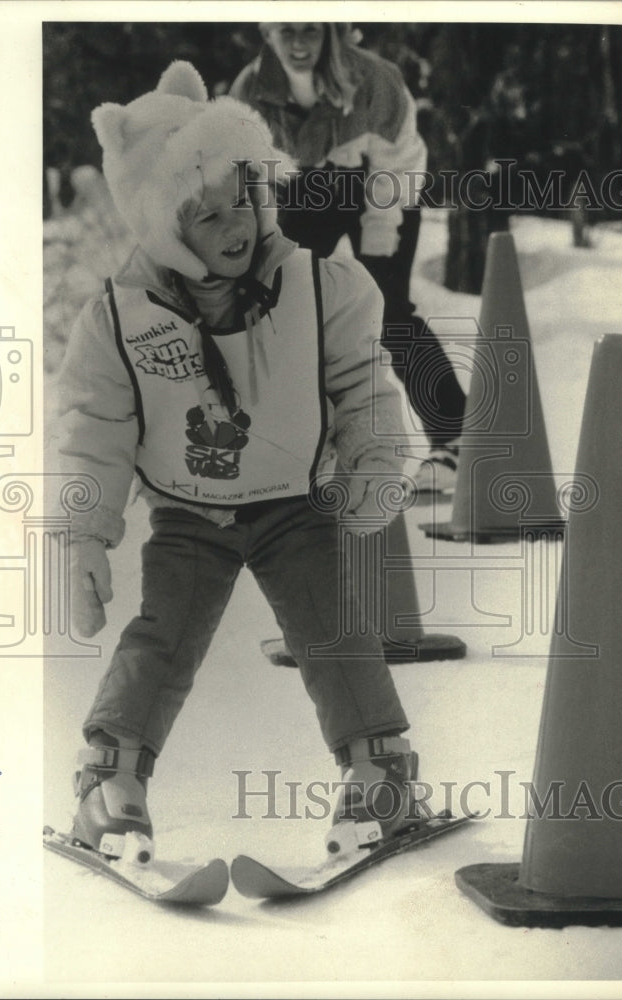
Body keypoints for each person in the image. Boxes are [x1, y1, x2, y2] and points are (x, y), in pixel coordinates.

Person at [52, 60, 427, 861]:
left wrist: (370, 456)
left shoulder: (315, 284)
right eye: (204, 215)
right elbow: (95, 428)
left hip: (294, 505)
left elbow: (360, 380)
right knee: (164, 636)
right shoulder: (121, 322)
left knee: (333, 628)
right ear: (159, 228)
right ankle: (110, 776)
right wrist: (84, 531)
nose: (235, 226)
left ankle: (380, 769)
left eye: (243, 198)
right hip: (189, 513)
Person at [229, 22, 467, 493]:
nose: (299, 44)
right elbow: (250, 184)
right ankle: (291, 446)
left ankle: (456, 438)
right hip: (300, 186)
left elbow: (397, 163)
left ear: (332, 33)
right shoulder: (249, 91)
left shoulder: (374, 80)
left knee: (390, 312)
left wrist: (379, 238)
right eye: (286, 31)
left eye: (311, 32)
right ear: (267, 31)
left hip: (383, 180)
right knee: (281, 308)